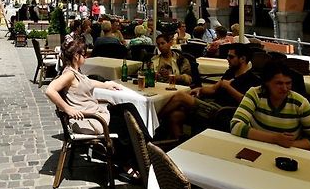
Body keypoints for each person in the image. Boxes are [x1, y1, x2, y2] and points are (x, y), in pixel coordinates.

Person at [45, 39, 151, 180]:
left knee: (127, 109)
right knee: (125, 125)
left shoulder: (75, 72)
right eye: (84, 54)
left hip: (95, 114)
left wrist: (106, 85)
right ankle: (140, 156)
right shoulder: (69, 74)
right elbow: (50, 90)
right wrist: (68, 109)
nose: (86, 57)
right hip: (90, 120)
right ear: (76, 56)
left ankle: (143, 151)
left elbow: (88, 82)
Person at [159, 43, 261, 138]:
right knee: (175, 116)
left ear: (242, 59)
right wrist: (200, 89)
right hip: (212, 105)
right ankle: (179, 144)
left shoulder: (252, 79)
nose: (227, 59)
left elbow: (245, 102)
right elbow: (213, 89)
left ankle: (154, 120)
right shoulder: (230, 72)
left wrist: (228, 87)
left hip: (224, 112)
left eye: (231, 57)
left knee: (181, 96)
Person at [231, 61, 310, 151]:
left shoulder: (300, 103)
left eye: (288, 83)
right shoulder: (255, 94)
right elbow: (235, 126)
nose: (285, 88)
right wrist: (275, 139)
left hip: (289, 153)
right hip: (257, 148)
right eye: (279, 83)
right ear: (267, 83)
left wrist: (290, 144)